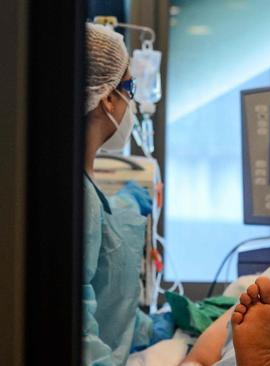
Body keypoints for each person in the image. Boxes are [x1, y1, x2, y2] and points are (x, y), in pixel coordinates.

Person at [83, 23, 154, 365]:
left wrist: (156, 329)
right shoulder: (79, 201)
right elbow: (80, 339)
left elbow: (109, 301)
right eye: (130, 87)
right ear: (108, 97)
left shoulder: (84, 190)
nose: (131, 101)